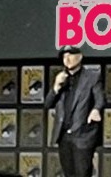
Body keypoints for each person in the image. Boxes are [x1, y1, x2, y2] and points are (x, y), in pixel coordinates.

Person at [43, 46, 104, 177]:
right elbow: (48, 104)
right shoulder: (61, 77)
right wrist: (56, 86)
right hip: (64, 135)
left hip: (82, 133)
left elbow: (100, 99)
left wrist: (96, 110)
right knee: (68, 173)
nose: (67, 59)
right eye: (64, 57)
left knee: (82, 172)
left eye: (70, 55)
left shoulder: (92, 76)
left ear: (80, 57)